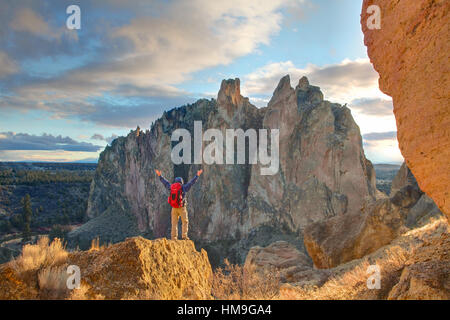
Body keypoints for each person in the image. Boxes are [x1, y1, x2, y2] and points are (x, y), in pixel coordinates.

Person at [155, 169, 203, 240]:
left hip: (174, 207)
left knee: (174, 223)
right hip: (182, 207)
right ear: (181, 182)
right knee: (185, 221)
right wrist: (197, 176)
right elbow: (191, 183)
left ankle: (174, 238)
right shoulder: (183, 187)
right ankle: (184, 236)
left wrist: (160, 176)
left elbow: (165, 183)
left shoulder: (171, 187)